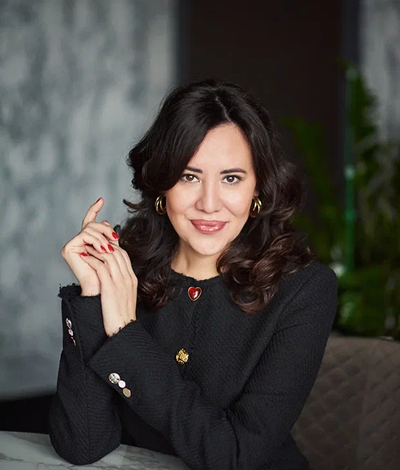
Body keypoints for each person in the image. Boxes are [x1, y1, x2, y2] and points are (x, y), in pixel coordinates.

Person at [48, 78, 337, 469]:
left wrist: (125, 334)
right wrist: (93, 297)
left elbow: (233, 457)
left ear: (257, 188)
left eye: (231, 178)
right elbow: (82, 447)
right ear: (162, 186)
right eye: (189, 176)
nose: (209, 203)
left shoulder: (304, 289)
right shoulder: (124, 269)